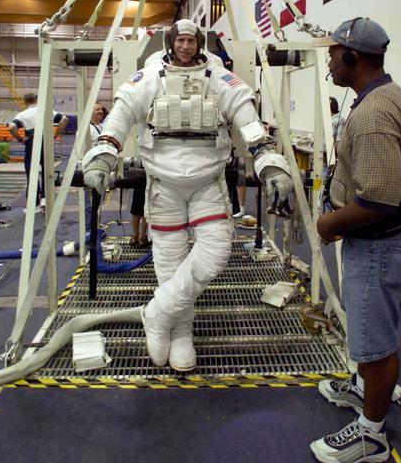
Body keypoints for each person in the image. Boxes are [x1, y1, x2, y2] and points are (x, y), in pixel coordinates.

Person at [82, 19, 293, 372]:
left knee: (215, 252)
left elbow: (247, 118)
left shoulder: (219, 76)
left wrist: (269, 162)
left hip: (207, 181)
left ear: (199, 44)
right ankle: (181, 335)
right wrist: (103, 155)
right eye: (179, 40)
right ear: (170, 43)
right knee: (169, 264)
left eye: (190, 41)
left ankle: (156, 314)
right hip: (163, 183)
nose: (184, 46)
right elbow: (120, 115)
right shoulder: (151, 75)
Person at [310, 17, 401, 463]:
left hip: (376, 244)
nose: (329, 62)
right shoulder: (388, 97)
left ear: (352, 57)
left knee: (374, 340)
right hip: (382, 242)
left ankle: (371, 435)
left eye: (333, 53)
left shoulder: (372, 115)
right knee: (372, 331)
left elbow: (379, 201)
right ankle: (362, 387)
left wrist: (329, 225)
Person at [9, 93, 68, 213]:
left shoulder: (22, 115)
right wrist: (56, 134)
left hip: (31, 142)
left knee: (32, 173)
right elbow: (64, 119)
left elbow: (11, 127)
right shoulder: (45, 111)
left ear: (25, 102)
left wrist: (20, 139)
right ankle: (46, 199)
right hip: (46, 141)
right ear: (36, 99)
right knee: (47, 171)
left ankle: (33, 203)